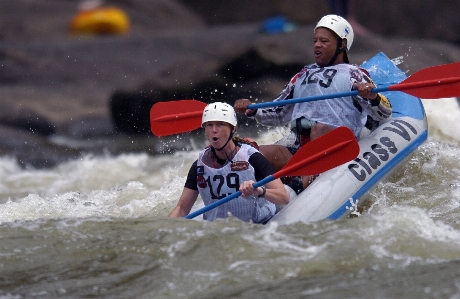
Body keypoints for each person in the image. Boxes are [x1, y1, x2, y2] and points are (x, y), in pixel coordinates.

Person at [234, 14, 392, 194]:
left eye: (324, 41)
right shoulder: (302, 75)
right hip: (300, 151)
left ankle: (303, 185)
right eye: (315, 40)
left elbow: (384, 113)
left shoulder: (354, 75)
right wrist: (252, 109)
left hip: (337, 149)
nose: (317, 45)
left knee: (320, 129)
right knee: (251, 155)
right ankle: (256, 197)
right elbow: (277, 113)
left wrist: (373, 96)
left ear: (341, 45)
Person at [169, 102, 289, 224]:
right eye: (209, 125)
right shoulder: (199, 166)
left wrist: (258, 191)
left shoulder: (252, 157)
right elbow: (181, 209)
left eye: (220, 124)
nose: (214, 130)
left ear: (233, 129)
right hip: (222, 229)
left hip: (259, 224)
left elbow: (284, 197)